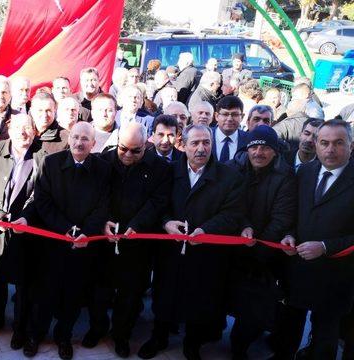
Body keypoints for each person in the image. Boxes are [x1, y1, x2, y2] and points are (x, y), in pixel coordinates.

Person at [140, 124, 244, 360]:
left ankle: (193, 343)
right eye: (195, 143)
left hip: (206, 252)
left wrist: (206, 230)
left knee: (201, 297)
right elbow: (158, 204)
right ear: (183, 145)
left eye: (206, 142)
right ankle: (159, 336)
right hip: (171, 250)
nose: (201, 148)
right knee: (165, 293)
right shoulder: (169, 171)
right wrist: (166, 223)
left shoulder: (229, 177)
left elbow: (233, 213)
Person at [26, 121, 111, 359]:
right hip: (53, 242)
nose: (79, 142)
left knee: (72, 296)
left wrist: (86, 231)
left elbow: (103, 206)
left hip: (84, 244)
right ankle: (35, 334)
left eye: (85, 139)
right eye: (75, 137)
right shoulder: (51, 164)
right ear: (69, 138)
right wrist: (66, 228)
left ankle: (63, 337)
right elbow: (42, 201)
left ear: (94, 143)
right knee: (44, 294)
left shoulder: (103, 169)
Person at [86, 122, 172, 357]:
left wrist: (137, 225)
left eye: (136, 150)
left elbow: (158, 201)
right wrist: (105, 220)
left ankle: (121, 335)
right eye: (123, 149)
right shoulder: (104, 160)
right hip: (104, 239)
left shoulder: (160, 168)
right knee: (99, 291)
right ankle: (97, 327)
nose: (127, 155)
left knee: (130, 295)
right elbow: (96, 195)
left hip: (138, 244)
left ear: (146, 144)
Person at [276, 119, 354, 360]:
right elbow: (291, 211)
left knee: (325, 334)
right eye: (324, 143)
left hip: (338, 275)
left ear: (351, 145)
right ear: (316, 145)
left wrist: (324, 247)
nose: (330, 149)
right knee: (289, 324)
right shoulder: (305, 172)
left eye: (338, 143)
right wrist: (288, 234)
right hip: (298, 268)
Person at [0, 113, 46, 347]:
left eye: (28, 128)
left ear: (35, 131)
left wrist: (25, 217)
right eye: (18, 127)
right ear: (9, 129)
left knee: (24, 284)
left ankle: (20, 329)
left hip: (24, 231)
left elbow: (39, 194)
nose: (23, 132)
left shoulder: (42, 157)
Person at [226, 126, 296, 359]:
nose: (259, 152)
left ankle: (240, 347)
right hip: (234, 247)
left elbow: (282, 218)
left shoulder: (285, 177)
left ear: (275, 151)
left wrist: (258, 248)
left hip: (264, 255)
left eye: (265, 148)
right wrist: (242, 226)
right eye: (254, 147)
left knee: (253, 309)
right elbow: (232, 204)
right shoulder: (234, 168)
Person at [212, 96, 249, 163]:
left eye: (235, 114)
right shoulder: (205, 136)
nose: (229, 119)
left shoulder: (248, 140)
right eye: (225, 114)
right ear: (216, 116)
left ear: (242, 117)